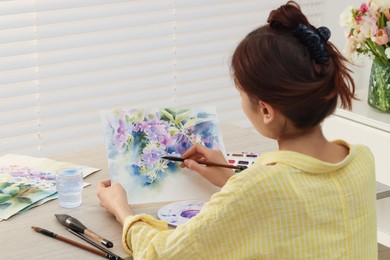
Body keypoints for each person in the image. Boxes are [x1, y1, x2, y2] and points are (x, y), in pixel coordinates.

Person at [97, 1, 377, 259]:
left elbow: (164, 254)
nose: (241, 102)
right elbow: (300, 212)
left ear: (266, 111)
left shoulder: (259, 186)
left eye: (242, 93)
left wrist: (122, 211)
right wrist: (232, 181)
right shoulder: (362, 160)